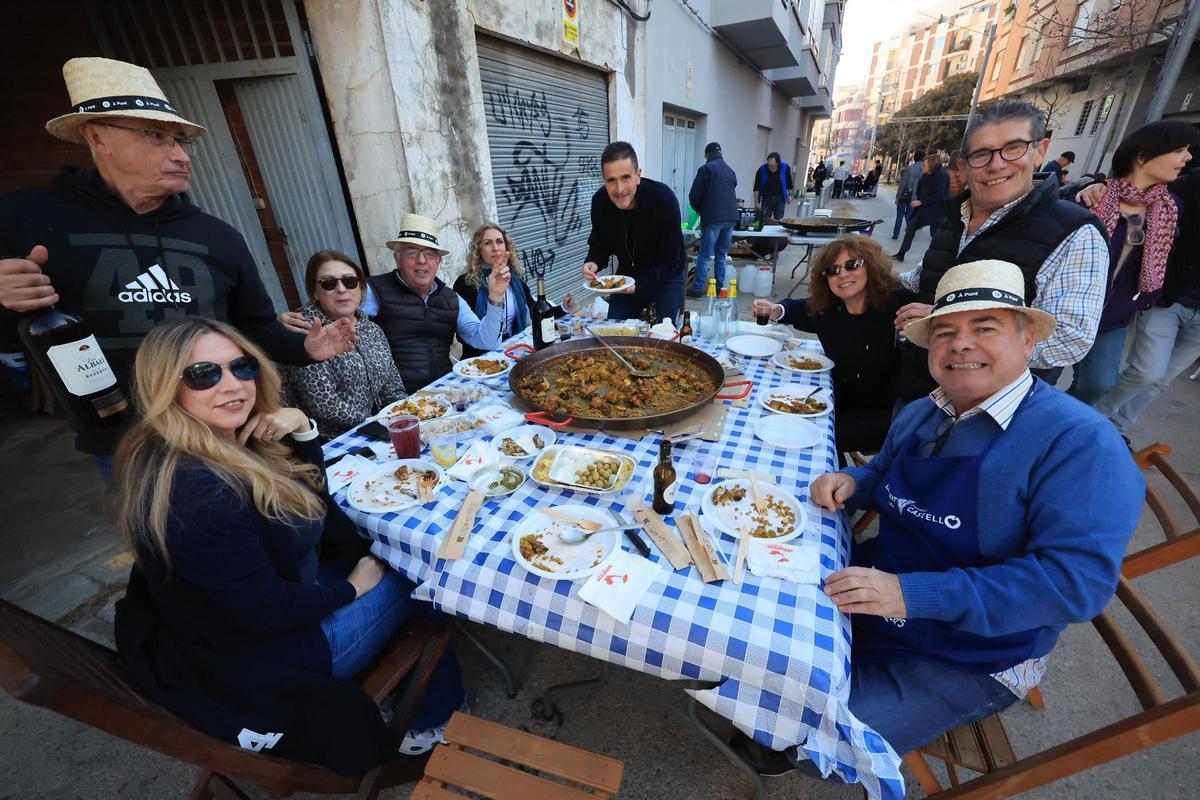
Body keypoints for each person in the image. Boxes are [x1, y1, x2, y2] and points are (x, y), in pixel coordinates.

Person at [733, 260, 1143, 779]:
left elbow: (1073, 586)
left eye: (985, 328)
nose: (960, 345)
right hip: (877, 588)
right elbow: (882, 473)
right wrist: (853, 483)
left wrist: (908, 594)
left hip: (974, 652)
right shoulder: (927, 409)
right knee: (744, 640)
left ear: (1027, 341)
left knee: (814, 743)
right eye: (945, 332)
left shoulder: (1080, 444)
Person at [112, 318, 466, 774]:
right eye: (204, 374)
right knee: (426, 570)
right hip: (277, 656)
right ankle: (433, 721)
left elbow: (310, 498)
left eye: (241, 367)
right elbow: (269, 611)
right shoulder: (198, 489)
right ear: (165, 386)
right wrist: (353, 589)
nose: (232, 385)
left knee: (384, 548)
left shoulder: (215, 442)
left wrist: (302, 428)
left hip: (250, 619)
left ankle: (421, 692)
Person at [0, 57, 353, 482]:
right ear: (96, 135)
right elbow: (18, 341)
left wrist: (306, 350)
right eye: (156, 136)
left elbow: (254, 327)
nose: (181, 155)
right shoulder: (26, 218)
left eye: (182, 142)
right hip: (129, 445)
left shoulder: (218, 237)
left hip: (225, 429)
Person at [891, 100, 1108, 401]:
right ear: (964, 165)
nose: (996, 164)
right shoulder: (956, 216)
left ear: (1040, 151)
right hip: (918, 391)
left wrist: (948, 325)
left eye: (1013, 147)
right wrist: (860, 274)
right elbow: (924, 278)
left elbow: (1071, 337)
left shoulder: (1075, 232)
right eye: (981, 154)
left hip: (992, 411)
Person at [1065, 122, 1195, 406]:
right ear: (1142, 156)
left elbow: (1167, 256)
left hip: (1114, 316)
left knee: (1098, 385)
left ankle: (1057, 423)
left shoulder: (1170, 207)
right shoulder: (1091, 197)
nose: (1188, 157)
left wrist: (1145, 298)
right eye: (1179, 150)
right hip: (1066, 308)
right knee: (1039, 376)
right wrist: (1090, 183)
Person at [751, 236, 914, 454]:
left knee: (801, 438)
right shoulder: (830, 310)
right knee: (776, 414)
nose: (843, 274)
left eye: (852, 265)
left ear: (871, 266)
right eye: (832, 270)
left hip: (886, 414)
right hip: (839, 400)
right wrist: (776, 310)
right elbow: (797, 309)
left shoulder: (900, 308)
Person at [276, 251, 408, 440]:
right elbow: (323, 404)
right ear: (315, 292)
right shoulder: (306, 330)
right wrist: (376, 422)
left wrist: (408, 412)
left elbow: (392, 385)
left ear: (361, 288)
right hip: (325, 441)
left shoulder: (372, 329)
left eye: (350, 281)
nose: (341, 289)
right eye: (329, 283)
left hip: (372, 429)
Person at [370, 213, 507, 390]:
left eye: (429, 254)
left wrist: (495, 297)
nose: (422, 261)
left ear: (439, 261)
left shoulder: (450, 298)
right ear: (397, 258)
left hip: (446, 392)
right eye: (412, 253)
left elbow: (487, 342)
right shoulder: (374, 291)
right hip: (399, 400)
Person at [581, 142, 686, 321]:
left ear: (638, 176)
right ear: (604, 180)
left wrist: (640, 285)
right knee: (615, 331)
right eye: (611, 180)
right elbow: (599, 243)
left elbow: (671, 261)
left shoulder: (663, 200)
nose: (619, 189)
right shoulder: (600, 202)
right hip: (627, 276)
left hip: (667, 276)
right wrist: (593, 262)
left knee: (664, 336)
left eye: (626, 178)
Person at [453, 222, 574, 356]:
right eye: (487, 243)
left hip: (514, 349)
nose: (495, 248)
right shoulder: (466, 283)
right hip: (481, 357)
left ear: (506, 247)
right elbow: (466, 332)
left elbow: (536, 310)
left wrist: (563, 307)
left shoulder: (514, 279)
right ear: (478, 250)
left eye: (499, 242)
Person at [686, 142, 738, 297]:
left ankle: (697, 289)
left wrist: (699, 209)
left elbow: (694, 195)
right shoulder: (730, 171)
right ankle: (718, 289)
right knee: (721, 255)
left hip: (714, 217)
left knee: (704, 255)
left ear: (706, 155)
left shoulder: (706, 169)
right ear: (721, 153)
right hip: (731, 217)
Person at [893, 154, 950, 262]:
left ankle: (937, 259)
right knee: (910, 228)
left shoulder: (942, 175)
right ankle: (901, 254)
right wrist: (917, 201)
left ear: (932, 165)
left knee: (936, 236)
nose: (922, 167)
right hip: (923, 209)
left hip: (936, 211)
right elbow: (920, 189)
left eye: (925, 165)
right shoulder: (926, 174)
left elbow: (940, 194)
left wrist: (921, 202)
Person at [891, 150, 924, 240]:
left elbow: (903, 183)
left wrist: (898, 196)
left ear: (915, 158)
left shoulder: (909, 168)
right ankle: (909, 234)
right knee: (910, 216)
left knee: (899, 215)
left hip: (905, 194)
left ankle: (896, 234)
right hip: (916, 197)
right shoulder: (925, 170)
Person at [754, 152, 794, 220]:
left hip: (780, 199)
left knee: (778, 220)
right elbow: (756, 188)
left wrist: (790, 195)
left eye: (772, 165)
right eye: (768, 165)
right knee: (765, 219)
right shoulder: (761, 170)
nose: (770, 167)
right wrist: (757, 202)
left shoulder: (785, 168)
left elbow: (789, 183)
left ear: (777, 163)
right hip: (766, 198)